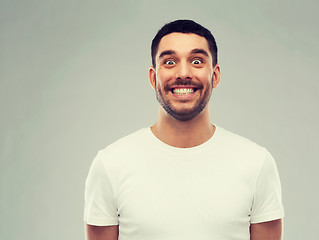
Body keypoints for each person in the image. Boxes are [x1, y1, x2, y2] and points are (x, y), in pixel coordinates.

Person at [84, 19, 284, 240]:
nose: (183, 73)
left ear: (215, 75)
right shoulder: (110, 164)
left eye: (197, 61)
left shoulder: (256, 163)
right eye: (170, 62)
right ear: (153, 77)